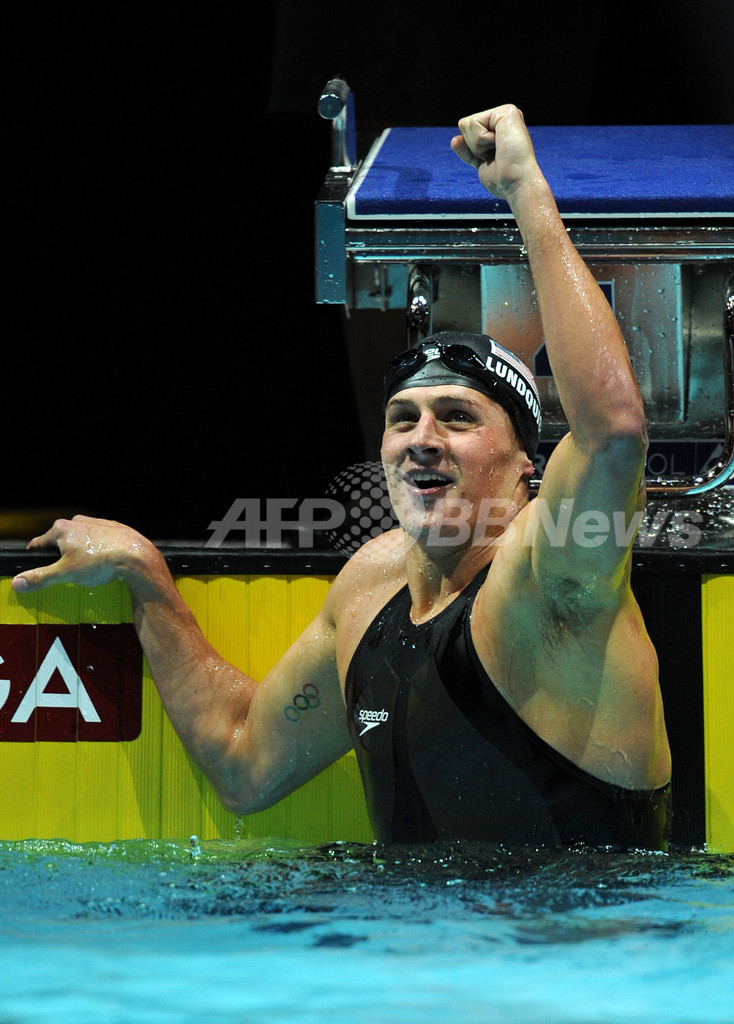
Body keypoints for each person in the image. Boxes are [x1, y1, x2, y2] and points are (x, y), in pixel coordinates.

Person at [12, 104, 672, 848]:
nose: (421, 440)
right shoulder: (370, 589)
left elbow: (614, 432)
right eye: (402, 419)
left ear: (529, 466)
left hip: (577, 951)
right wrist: (146, 576)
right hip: (409, 950)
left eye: (457, 417)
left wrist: (525, 191)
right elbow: (244, 763)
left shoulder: (548, 576)